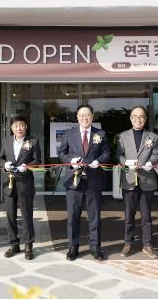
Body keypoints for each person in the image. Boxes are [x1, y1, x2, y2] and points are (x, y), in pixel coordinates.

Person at [57, 104, 110, 261]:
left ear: (92, 117)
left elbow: (107, 153)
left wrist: (98, 161)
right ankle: (73, 247)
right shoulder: (69, 133)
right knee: (73, 217)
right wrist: (70, 160)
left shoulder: (100, 133)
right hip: (74, 181)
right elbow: (61, 152)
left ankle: (95, 247)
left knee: (94, 217)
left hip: (94, 181)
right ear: (77, 117)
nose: (84, 118)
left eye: (87, 115)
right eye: (81, 115)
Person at [117, 105, 158, 259]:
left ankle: (147, 245)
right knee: (129, 215)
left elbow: (156, 154)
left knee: (146, 216)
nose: (138, 119)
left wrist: (151, 162)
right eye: (135, 116)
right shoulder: (123, 136)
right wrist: (125, 162)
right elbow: (119, 154)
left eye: (141, 116)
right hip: (129, 180)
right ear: (130, 118)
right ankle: (128, 243)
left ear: (145, 119)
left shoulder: (153, 137)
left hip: (146, 179)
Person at [0, 115, 41, 260]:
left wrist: (28, 166)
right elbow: (1, 158)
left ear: (26, 127)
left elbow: (37, 160)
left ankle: (28, 245)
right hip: (9, 183)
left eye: (21, 125)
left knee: (26, 215)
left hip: (25, 183)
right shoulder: (6, 141)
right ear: (12, 128)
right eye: (16, 126)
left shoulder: (33, 141)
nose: (19, 128)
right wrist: (4, 165)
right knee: (10, 215)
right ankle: (14, 244)